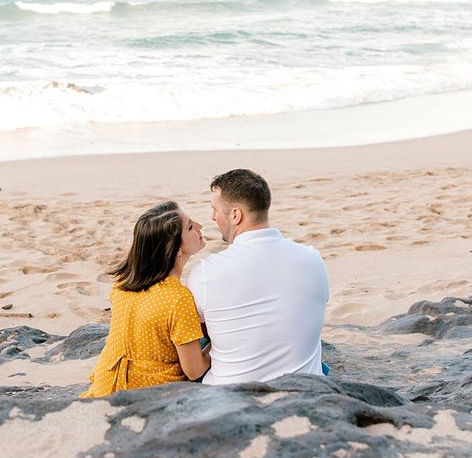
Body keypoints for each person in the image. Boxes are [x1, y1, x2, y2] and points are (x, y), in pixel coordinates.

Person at [186, 168, 329, 385]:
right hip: (305, 388)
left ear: (235, 215)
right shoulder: (312, 259)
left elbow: (193, 333)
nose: (212, 217)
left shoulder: (207, 271)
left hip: (230, 394)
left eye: (215, 209)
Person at [80, 201, 210, 398]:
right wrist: (221, 348)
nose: (200, 226)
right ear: (175, 249)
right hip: (150, 393)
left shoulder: (123, 283)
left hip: (107, 386)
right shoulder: (178, 298)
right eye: (190, 226)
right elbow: (195, 370)